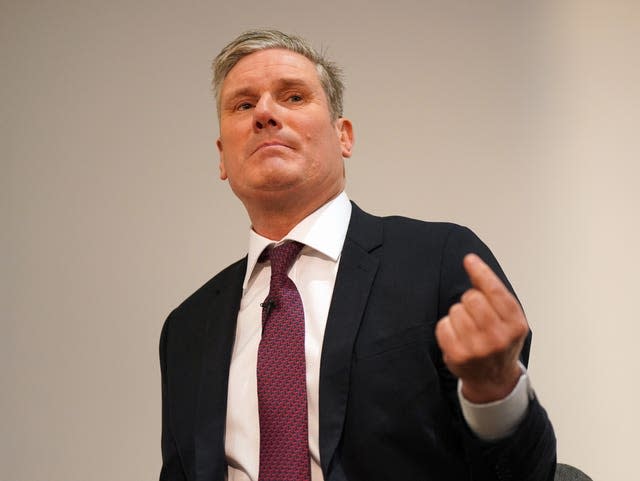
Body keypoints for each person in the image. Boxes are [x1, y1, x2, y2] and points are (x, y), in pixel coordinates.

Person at [159, 29, 556, 481]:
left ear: (343, 136)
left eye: (292, 97)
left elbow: (524, 473)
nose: (265, 114)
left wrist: (496, 393)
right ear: (222, 159)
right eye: (244, 105)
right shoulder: (187, 329)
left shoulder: (439, 261)